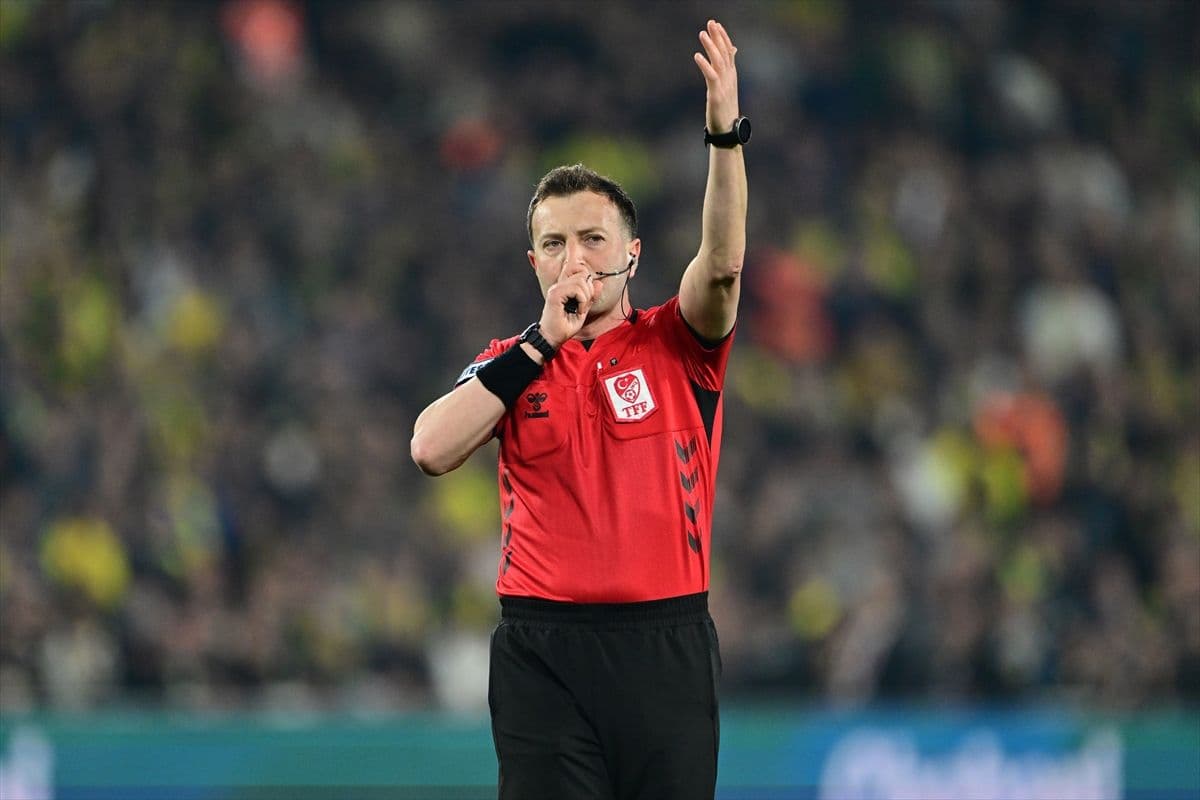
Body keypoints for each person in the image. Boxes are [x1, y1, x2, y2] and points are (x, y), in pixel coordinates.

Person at [411, 19, 748, 800]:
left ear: (632, 253)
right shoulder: (510, 361)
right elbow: (430, 446)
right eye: (556, 244)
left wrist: (724, 137)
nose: (576, 259)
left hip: (664, 647)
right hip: (543, 652)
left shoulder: (678, 342)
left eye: (594, 239)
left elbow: (724, 266)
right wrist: (540, 345)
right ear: (534, 263)